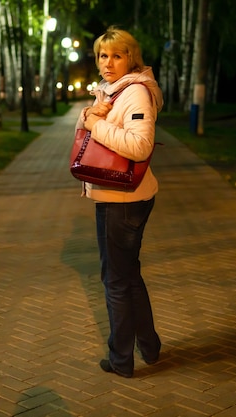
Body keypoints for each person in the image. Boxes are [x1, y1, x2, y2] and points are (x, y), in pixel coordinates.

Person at [74, 26, 164, 378]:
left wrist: (95, 124)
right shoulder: (113, 91)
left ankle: (121, 360)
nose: (108, 62)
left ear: (131, 58)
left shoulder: (136, 94)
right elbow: (89, 124)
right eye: (102, 55)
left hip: (123, 199)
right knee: (127, 275)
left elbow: (140, 147)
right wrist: (89, 116)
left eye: (116, 55)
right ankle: (150, 346)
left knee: (115, 280)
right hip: (114, 195)